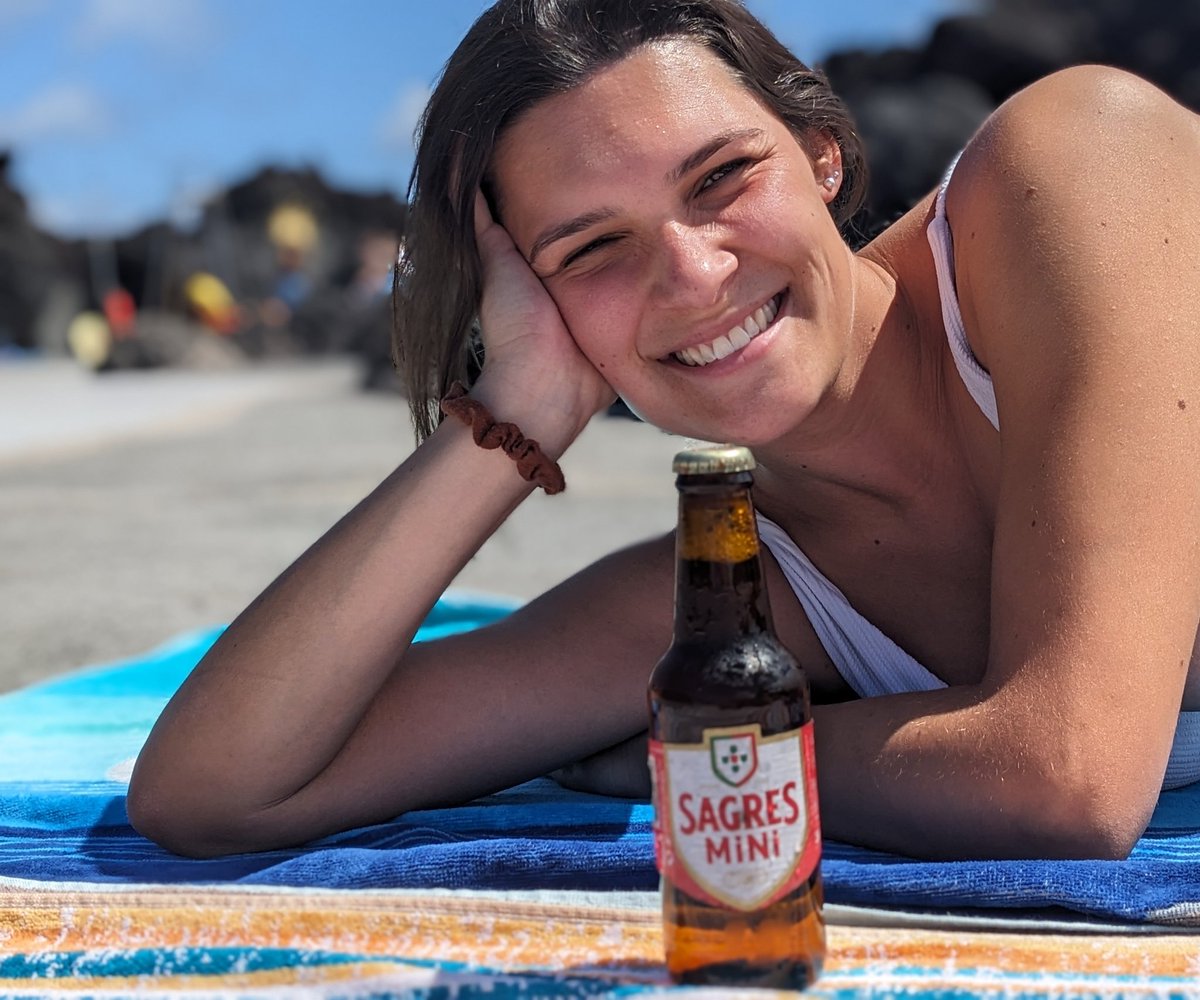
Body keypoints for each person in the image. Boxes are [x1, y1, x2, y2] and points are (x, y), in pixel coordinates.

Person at [127, 0, 1200, 863]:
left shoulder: (1073, 168)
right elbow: (213, 791)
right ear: (542, 307)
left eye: (723, 178)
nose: (693, 275)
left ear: (822, 150)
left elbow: (1069, 774)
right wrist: (515, 416)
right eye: (592, 249)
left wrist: (694, 756)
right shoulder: (737, 593)